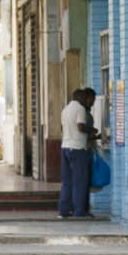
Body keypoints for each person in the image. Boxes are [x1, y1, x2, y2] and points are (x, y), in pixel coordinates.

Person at [57, 87, 97, 218]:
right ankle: (79, 212)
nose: (87, 101)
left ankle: (64, 210)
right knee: (80, 182)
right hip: (78, 149)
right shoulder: (79, 109)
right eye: (85, 98)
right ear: (80, 97)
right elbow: (80, 127)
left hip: (65, 148)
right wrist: (92, 130)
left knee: (67, 181)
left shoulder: (65, 109)